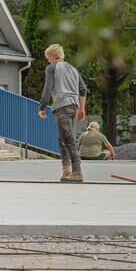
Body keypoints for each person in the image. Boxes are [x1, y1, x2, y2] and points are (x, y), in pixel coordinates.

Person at [37, 44, 87, 182]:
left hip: (62, 106)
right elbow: (83, 89)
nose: (48, 61)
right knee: (63, 138)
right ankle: (66, 169)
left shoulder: (51, 68)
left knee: (68, 139)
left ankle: (77, 171)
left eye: (48, 58)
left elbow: (47, 88)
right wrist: (82, 109)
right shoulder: (73, 69)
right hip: (74, 106)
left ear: (53, 56)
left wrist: (42, 107)